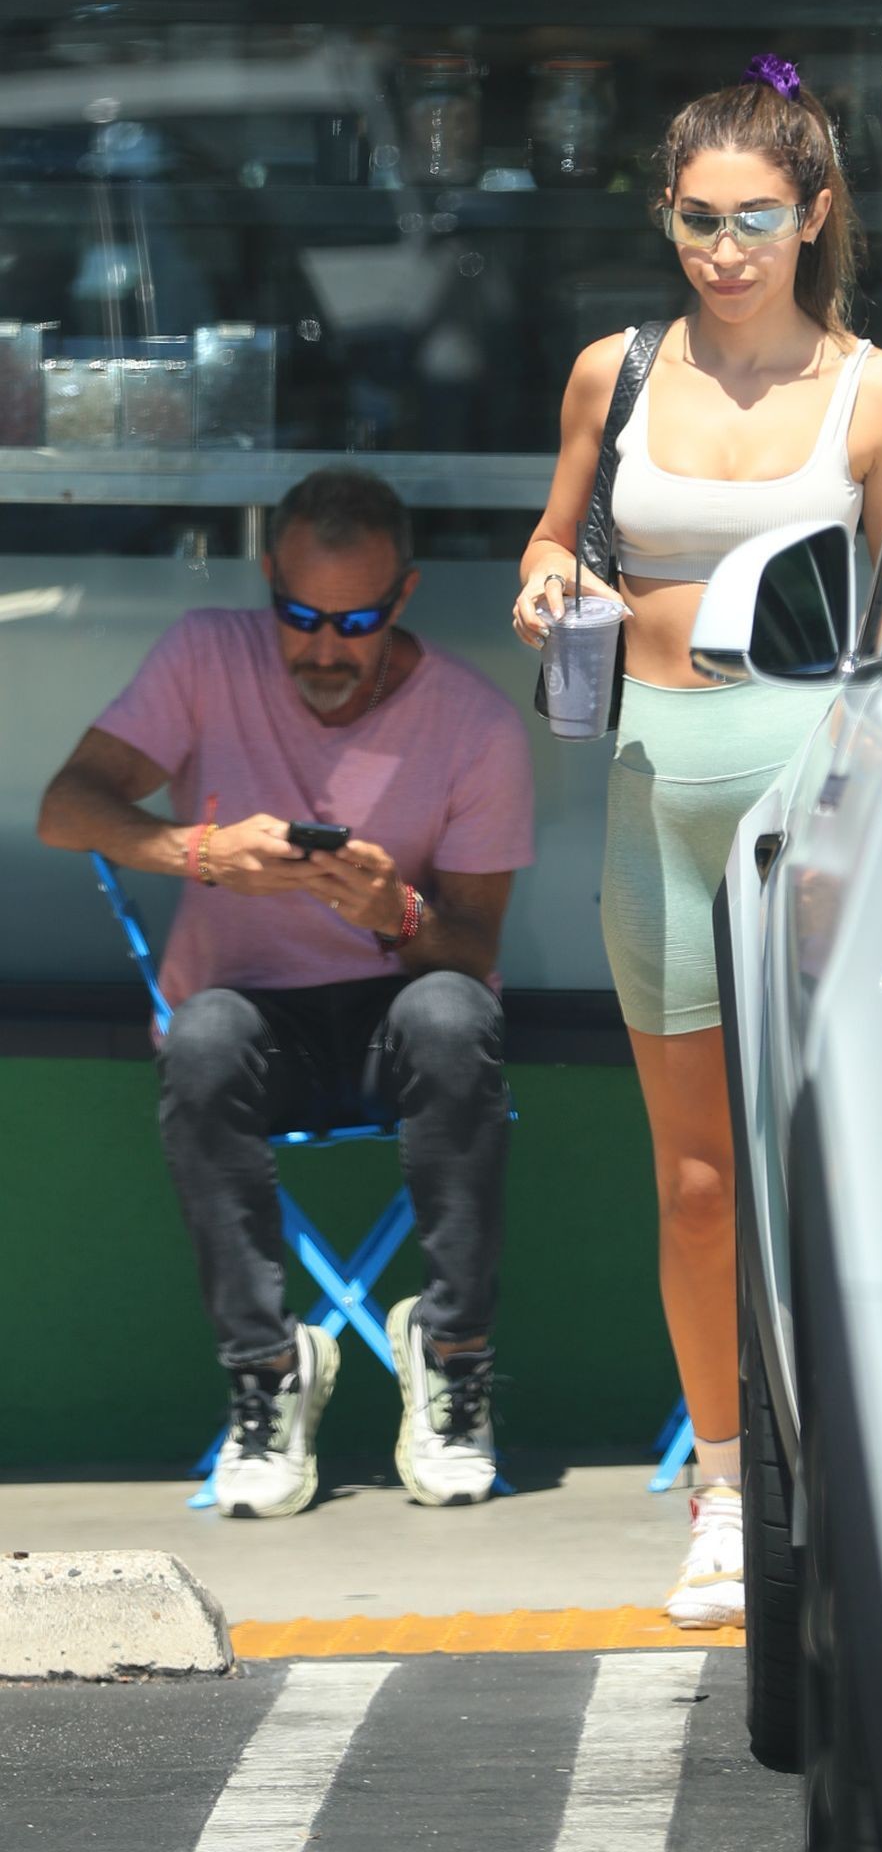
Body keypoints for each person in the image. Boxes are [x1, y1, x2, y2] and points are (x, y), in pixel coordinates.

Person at [514, 56, 882, 1626]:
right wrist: (550, 579)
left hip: (819, 801)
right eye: (699, 219)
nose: (726, 249)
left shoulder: (880, 393)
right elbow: (557, 532)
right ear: (667, 218)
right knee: (695, 1183)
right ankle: (727, 1490)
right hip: (655, 791)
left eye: (756, 217)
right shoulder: (612, 372)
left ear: (815, 215)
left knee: (836, 1167)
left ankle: (870, 1483)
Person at [38, 467, 534, 1518]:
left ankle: (452, 1353)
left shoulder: (476, 725)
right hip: (249, 1014)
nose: (323, 650)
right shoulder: (206, 655)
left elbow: (473, 945)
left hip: (396, 1020)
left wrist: (395, 911)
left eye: (355, 622)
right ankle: (267, 1371)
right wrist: (199, 850)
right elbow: (66, 807)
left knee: (456, 1017)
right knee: (200, 1037)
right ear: (269, 584)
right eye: (299, 617)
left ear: (402, 597)